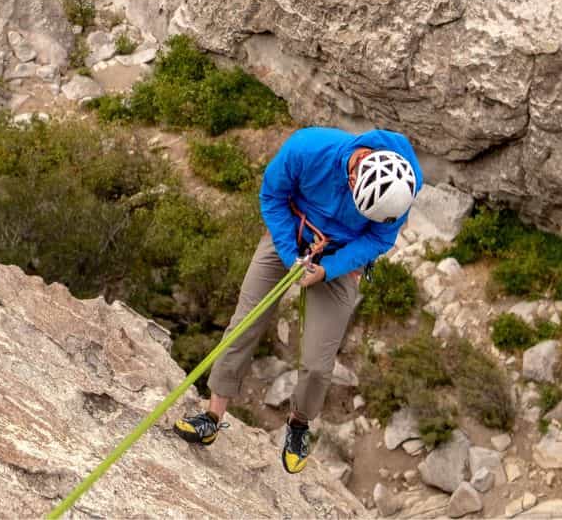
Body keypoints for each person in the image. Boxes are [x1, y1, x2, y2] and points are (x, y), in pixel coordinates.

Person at [173, 126, 423, 473]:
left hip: (338, 258)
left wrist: (328, 269)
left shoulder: (401, 189)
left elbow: (378, 241)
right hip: (289, 235)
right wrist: (292, 254)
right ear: (355, 172)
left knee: (318, 364)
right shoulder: (307, 149)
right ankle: (212, 417)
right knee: (244, 325)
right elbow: (272, 196)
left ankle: (299, 424)